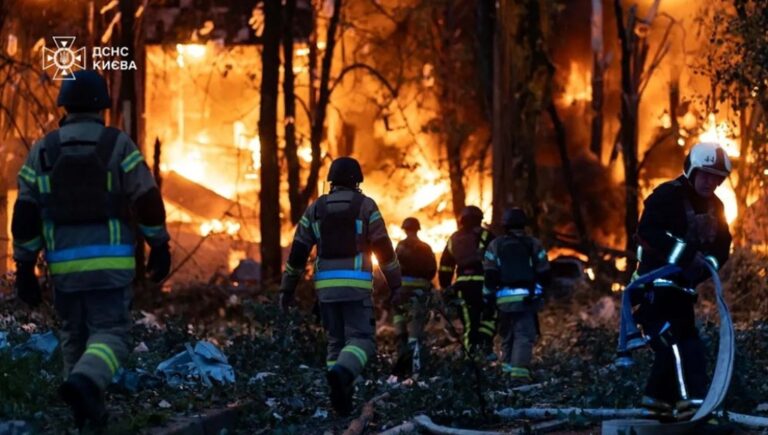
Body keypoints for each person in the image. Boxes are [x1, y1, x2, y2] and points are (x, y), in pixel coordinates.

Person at [11, 70, 171, 429]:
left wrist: (25, 267)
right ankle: (85, 383)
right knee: (111, 334)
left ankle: (86, 414)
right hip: (109, 268)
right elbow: (146, 198)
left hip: (64, 270)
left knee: (74, 336)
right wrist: (158, 243)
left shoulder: (44, 150)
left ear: (64, 106)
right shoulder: (117, 145)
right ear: (102, 106)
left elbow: (25, 213)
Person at [279, 156, 401, 416]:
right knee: (363, 340)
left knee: (336, 342)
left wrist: (287, 289)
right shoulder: (366, 206)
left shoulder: (315, 209)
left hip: (326, 289)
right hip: (356, 287)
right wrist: (396, 285)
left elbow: (298, 253)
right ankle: (342, 375)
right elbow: (384, 249)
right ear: (357, 181)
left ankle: (341, 400)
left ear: (331, 181)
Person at [630, 142, 732, 420]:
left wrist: (704, 268)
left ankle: (657, 405)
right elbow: (648, 232)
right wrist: (686, 256)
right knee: (676, 346)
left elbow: (722, 248)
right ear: (692, 170)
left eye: (716, 177)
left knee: (684, 345)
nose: (710, 181)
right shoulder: (667, 196)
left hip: (682, 293)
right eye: (706, 174)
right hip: (653, 289)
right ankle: (691, 406)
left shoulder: (717, 207)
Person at [482, 208, 550, 384]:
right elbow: (544, 271)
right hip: (526, 299)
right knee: (524, 335)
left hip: (503, 300)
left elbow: (490, 274)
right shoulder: (533, 244)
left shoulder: (495, 245)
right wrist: (541, 293)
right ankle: (519, 376)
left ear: (505, 226)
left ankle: (507, 373)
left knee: (507, 337)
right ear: (523, 225)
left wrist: (488, 297)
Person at [438, 206, 495, 357]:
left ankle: (472, 357)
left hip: (463, 287)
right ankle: (484, 347)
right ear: (479, 219)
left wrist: (446, 286)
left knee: (470, 323)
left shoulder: (454, 239)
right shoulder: (487, 235)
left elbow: (445, 266)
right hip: (484, 284)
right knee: (490, 316)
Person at [391, 217, 437, 377]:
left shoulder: (400, 247)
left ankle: (400, 365)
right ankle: (414, 369)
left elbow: (392, 268)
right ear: (418, 229)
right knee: (415, 330)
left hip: (400, 293)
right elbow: (432, 269)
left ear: (404, 229)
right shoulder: (426, 248)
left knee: (400, 325)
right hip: (419, 293)